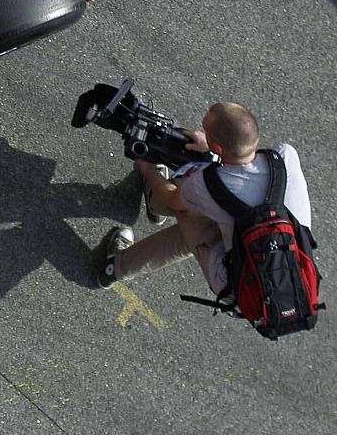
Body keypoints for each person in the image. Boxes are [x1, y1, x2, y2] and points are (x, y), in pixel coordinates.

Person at [96, 102, 312, 296]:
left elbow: (173, 198)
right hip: (291, 275)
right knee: (201, 218)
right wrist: (214, 150)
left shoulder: (209, 185)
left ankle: (114, 268)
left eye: (206, 132)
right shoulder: (284, 156)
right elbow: (245, 164)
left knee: (188, 212)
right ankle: (121, 259)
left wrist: (148, 168)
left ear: (218, 147)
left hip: (238, 285)